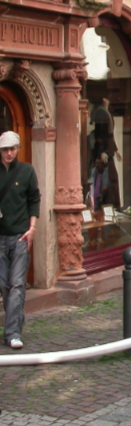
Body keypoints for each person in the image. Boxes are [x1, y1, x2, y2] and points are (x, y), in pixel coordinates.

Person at [0, 131, 40, 350]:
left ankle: (13, 332)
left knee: (16, 284)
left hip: (20, 237)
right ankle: (15, 319)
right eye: (5, 149)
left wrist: (32, 228)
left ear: (17, 149)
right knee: (3, 284)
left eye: (12, 149)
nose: (8, 153)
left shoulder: (26, 171)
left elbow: (34, 199)